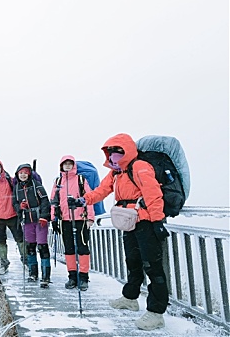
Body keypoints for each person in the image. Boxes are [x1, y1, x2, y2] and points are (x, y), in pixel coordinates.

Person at [68, 133, 170, 331]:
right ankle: (130, 298)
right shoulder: (117, 172)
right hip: (128, 221)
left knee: (152, 266)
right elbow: (101, 191)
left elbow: (154, 195)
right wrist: (83, 200)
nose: (113, 155)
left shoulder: (139, 166)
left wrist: (157, 221)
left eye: (118, 151)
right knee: (132, 261)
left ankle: (156, 313)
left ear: (127, 151)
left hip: (146, 223)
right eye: (111, 151)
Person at [49, 155, 95, 291]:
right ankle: (72, 277)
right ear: (61, 166)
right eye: (65, 164)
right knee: (68, 249)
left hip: (81, 218)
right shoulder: (58, 181)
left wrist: (90, 218)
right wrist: (54, 219)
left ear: (74, 165)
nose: (67, 166)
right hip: (64, 220)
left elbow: (89, 198)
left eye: (70, 164)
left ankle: (84, 277)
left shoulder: (81, 180)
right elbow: (54, 202)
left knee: (83, 248)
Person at [12, 163, 52, 287]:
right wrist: (20, 207)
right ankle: (33, 274)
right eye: (21, 173)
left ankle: (45, 277)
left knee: (42, 247)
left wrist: (44, 217)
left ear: (29, 174)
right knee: (30, 247)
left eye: (25, 173)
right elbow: (14, 203)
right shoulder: (17, 187)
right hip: (27, 220)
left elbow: (45, 201)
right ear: (18, 175)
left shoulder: (36, 186)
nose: (23, 175)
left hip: (40, 219)